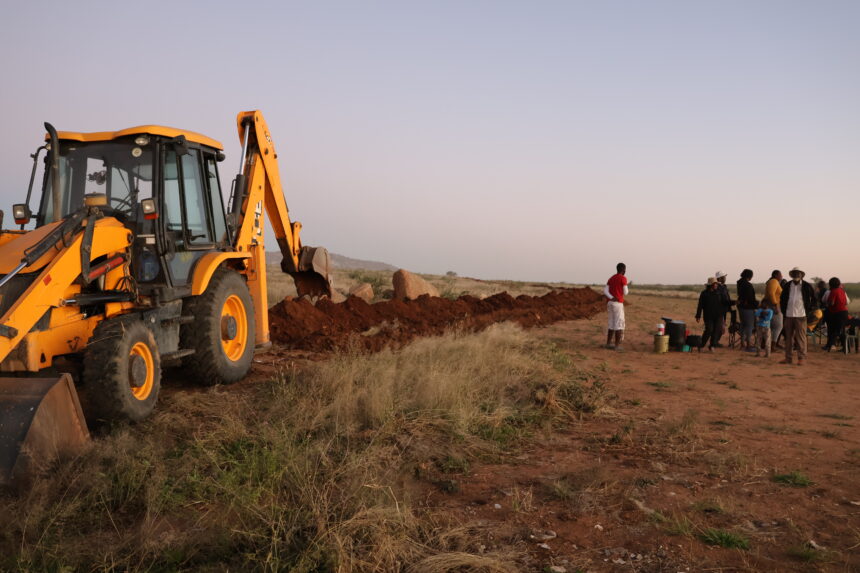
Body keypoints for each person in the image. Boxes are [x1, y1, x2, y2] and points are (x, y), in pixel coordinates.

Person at [779, 267, 817, 365]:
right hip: (788, 315)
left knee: (801, 337)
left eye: (798, 273)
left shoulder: (807, 286)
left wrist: (809, 310)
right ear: (791, 275)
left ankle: (801, 358)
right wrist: (784, 311)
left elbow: (814, 299)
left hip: (801, 315)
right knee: (788, 338)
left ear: (801, 275)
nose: (796, 275)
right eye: (794, 273)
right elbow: (782, 299)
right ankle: (788, 358)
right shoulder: (787, 285)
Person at [603, 262, 628, 351]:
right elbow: (625, 292)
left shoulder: (611, 278)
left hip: (610, 303)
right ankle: (617, 346)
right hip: (618, 304)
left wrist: (611, 297)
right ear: (623, 270)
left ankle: (608, 344)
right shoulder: (623, 278)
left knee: (611, 323)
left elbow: (605, 291)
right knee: (619, 324)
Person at [822, 277, 850, 352]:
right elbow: (846, 302)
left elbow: (831, 302)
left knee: (834, 330)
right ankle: (845, 347)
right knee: (840, 330)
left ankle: (831, 345)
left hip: (837, 313)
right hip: (844, 312)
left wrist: (828, 304)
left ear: (831, 284)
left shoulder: (833, 291)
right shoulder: (842, 291)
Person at [695, 277, 723, 352]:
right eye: (715, 284)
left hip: (718, 315)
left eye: (717, 284)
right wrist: (698, 315)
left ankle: (712, 346)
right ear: (711, 285)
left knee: (716, 331)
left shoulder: (719, 293)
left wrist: (733, 302)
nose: (716, 285)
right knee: (709, 330)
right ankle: (701, 345)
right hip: (708, 316)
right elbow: (700, 305)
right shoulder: (704, 293)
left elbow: (724, 302)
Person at [736, 269, 758, 352]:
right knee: (749, 326)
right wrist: (757, 304)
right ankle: (748, 345)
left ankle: (743, 344)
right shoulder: (747, 285)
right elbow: (750, 298)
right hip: (748, 307)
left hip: (741, 307)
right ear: (749, 276)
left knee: (743, 325)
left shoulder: (740, 283)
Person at [713, 271, 734, 347]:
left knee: (721, 326)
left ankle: (715, 341)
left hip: (724, 309)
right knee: (719, 327)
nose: (725, 278)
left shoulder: (723, 287)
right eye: (723, 277)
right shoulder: (718, 288)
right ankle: (714, 342)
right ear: (719, 278)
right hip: (719, 310)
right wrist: (733, 302)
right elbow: (723, 300)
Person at [764, 270, 783, 352]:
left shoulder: (772, 281)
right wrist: (775, 305)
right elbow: (771, 293)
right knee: (778, 326)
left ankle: (766, 344)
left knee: (771, 326)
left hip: (771, 305)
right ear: (775, 275)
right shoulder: (774, 281)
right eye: (780, 274)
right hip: (774, 306)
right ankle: (772, 346)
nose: (781, 276)